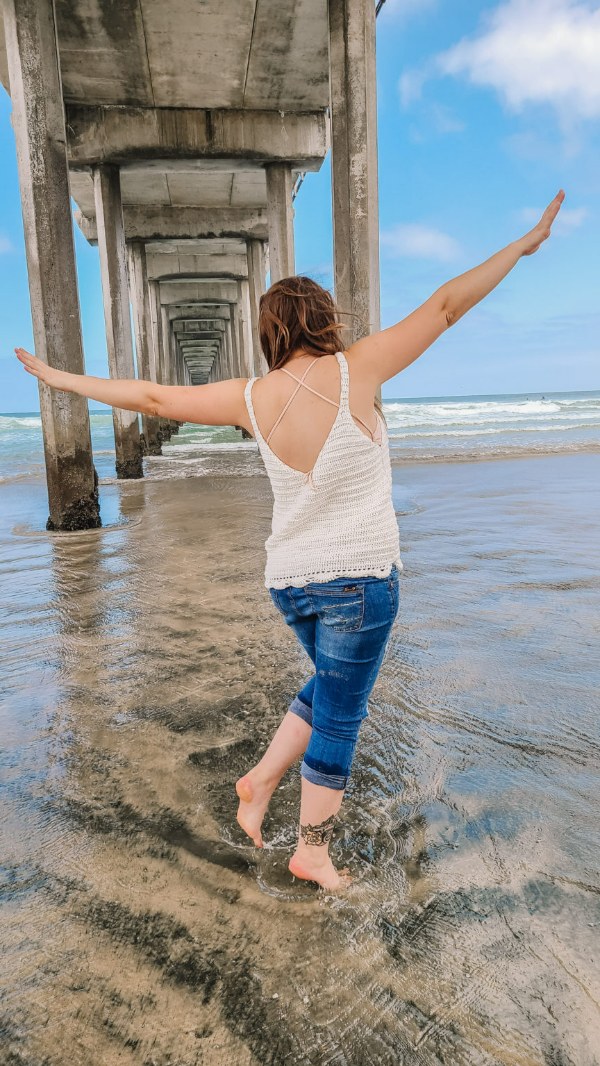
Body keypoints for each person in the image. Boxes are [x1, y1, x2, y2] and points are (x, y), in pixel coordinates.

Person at [15, 189, 565, 891]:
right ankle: (312, 849)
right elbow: (446, 306)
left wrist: (61, 378)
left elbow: (152, 398)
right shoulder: (357, 368)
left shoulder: (250, 397)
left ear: (272, 331)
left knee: (334, 688)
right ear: (321, 319)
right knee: (342, 712)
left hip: (290, 581)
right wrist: (521, 245)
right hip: (360, 579)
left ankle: (259, 783)